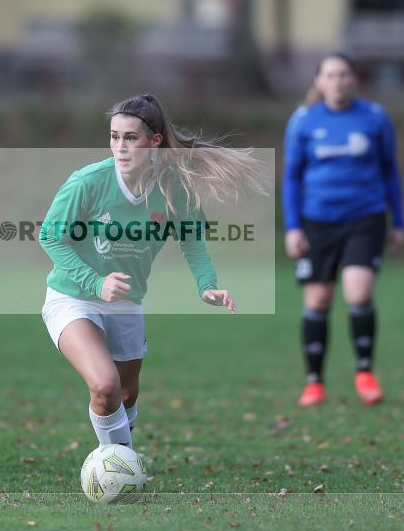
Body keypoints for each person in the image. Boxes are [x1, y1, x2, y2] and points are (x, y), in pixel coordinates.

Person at [39, 94, 265, 449]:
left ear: (154, 141)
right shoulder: (87, 182)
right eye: (114, 137)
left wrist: (207, 285)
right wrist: (95, 283)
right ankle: (119, 462)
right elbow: (50, 237)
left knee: (126, 394)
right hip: (73, 297)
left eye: (130, 137)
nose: (120, 147)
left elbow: (192, 241)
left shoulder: (174, 187)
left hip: (126, 302)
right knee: (105, 386)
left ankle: (120, 450)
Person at [282, 52, 404, 407]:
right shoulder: (304, 120)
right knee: (318, 299)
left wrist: (398, 221)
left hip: (365, 218)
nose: (337, 81)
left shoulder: (374, 118)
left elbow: (390, 171)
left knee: (358, 292)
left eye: (343, 74)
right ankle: (314, 381)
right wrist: (292, 227)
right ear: (319, 82)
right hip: (317, 220)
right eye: (330, 75)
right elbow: (291, 177)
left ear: (354, 80)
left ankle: (365, 372)